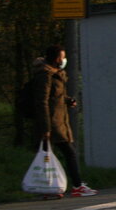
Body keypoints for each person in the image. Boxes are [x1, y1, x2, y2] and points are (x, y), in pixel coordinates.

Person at [32, 45, 97, 197]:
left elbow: (55, 96)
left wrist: (67, 100)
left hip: (58, 120)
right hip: (52, 122)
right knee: (68, 153)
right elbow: (42, 101)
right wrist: (46, 127)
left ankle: (49, 189)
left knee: (50, 155)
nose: (64, 60)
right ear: (56, 58)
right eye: (62, 57)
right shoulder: (45, 75)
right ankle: (76, 186)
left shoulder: (55, 74)